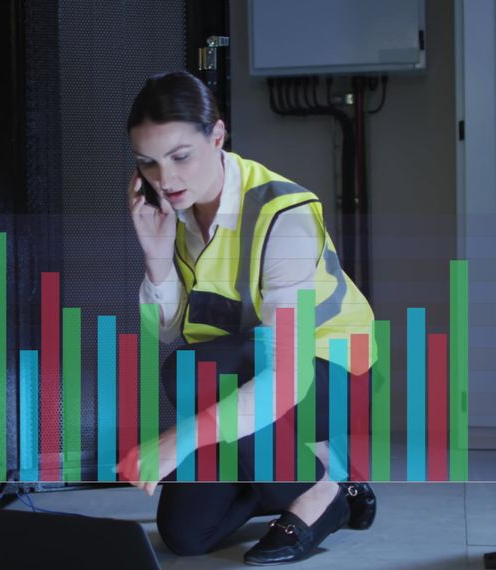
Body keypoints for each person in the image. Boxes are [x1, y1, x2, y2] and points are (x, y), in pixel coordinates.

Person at [117, 71, 377, 566]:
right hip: (242, 376)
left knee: (204, 369)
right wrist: (154, 255)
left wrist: (182, 438)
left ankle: (326, 489)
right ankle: (283, 477)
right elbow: (169, 332)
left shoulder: (284, 214)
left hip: (330, 373)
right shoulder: (175, 211)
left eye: (180, 156)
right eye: (147, 162)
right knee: (186, 535)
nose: (164, 179)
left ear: (217, 136)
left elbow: (286, 375)